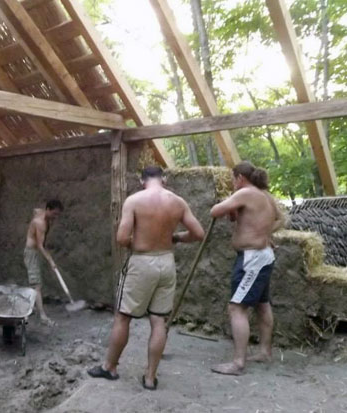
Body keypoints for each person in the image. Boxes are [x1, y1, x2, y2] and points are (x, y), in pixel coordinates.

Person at [88, 166, 204, 390]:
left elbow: (122, 238)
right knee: (159, 320)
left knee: (123, 317)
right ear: (164, 179)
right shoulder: (178, 202)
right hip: (166, 262)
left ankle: (109, 367)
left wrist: (140, 242)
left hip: (142, 262)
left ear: (142, 181)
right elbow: (198, 233)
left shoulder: (134, 200)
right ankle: (150, 377)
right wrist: (175, 238)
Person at [210, 161, 285, 376]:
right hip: (262, 255)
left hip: (252, 259)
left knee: (236, 308)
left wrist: (229, 202)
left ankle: (238, 363)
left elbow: (215, 211)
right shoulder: (265, 196)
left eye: (233, 179)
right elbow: (280, 218)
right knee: (262, 304)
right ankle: (264, 352)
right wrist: (264, 233)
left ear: (240, 178)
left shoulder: (246, 193)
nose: (233, 183)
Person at [24, 199, 64, 326]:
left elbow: (35, 210)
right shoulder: (40, 223)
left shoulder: (42, 213)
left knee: (35, 283)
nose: (55, 217)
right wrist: (51, 261)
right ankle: (42, 317)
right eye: (54, 214)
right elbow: (40, 246)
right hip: (32, 253)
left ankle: (31, 308)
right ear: (48, 209)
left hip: (35, 252)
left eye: (58, 214)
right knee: (36, 285)